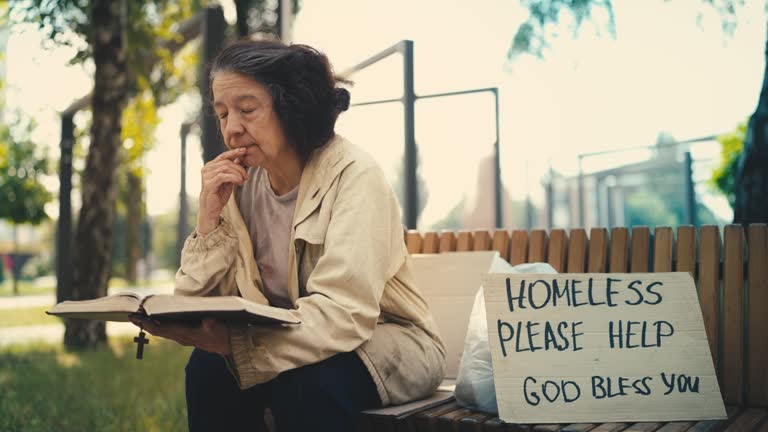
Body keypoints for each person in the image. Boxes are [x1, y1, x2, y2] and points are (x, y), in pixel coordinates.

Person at [131, 39, 446, 432]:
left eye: (247, 110)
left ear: (291, 105)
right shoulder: (237, 187)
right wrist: (208, 221)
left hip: (387, 343)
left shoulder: (354, 175)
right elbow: (196, 303)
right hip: (290, 345)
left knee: (308, 382)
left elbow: (344, 313)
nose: (232, 129)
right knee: (208, 370)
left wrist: (238, 346)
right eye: (222, 113)